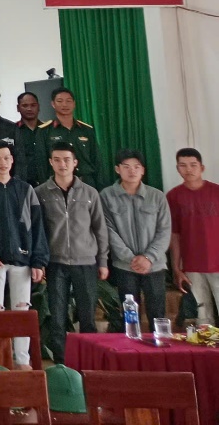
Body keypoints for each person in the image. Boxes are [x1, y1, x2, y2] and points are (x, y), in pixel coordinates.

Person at [0, 141, 48, 366]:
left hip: (23, 261)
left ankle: (23, 361)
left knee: (22, 310)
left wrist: (38, 261)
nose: (2, 162)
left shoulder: (26, 189)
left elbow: (38, 228)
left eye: (6, 158)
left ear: (12, 160)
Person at [36, 141, 109, 363]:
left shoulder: (90, 193)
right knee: (57, 316)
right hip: (55, 263)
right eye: (57, 160)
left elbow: (100, 228)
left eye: (67, 160)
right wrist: (40, 262)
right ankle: (61, 364)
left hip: (85, 262)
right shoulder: (40, 193)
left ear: (75, 162)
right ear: (51, 162)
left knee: (87, 316)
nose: (62, 164)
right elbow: (38, 231)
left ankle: (89, 362)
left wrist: (103, 261)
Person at [100, 148, 171, 331]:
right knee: (130, 316)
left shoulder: (157, 196)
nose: (132, 171)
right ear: (117, 169)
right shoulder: (106, 196)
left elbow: (164, 231)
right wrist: (130, 258)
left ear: (143, 170)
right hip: (125, 266)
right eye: (126, 167)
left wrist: (148, 258)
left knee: (157, 313)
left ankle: (159, 346)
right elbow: (107, 230)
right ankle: (131, 347)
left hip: (154, 265)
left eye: (136, 167)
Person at [168, 148, 219, 326]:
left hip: (217, 262)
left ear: (202, 167)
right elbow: (174, 235)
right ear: (177, 169)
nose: (188, 169)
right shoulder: (173, 197)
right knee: (203, 315)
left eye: (193, 165)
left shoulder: (216, 192)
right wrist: (176, 268)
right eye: (183, 165)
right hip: (192, 266)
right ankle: (206, 345)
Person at [35, 88, 100, 189]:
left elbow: (97, 160)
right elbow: (41, 164)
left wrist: (100, 187)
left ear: (74, 104)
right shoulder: (44, 131)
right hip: (58, 185)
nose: (64, 104)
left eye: (68, 101)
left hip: (86, 184)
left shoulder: (86, 130)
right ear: (53, 104)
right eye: (60, 101)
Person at [15, 92, 45, 184]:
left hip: (47, 183)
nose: (29, 109)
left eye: (33, 105)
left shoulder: (47, 129)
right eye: (25, 105)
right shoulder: (13, 130)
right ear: (18, 108)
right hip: (22, 184)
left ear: (38, 107)